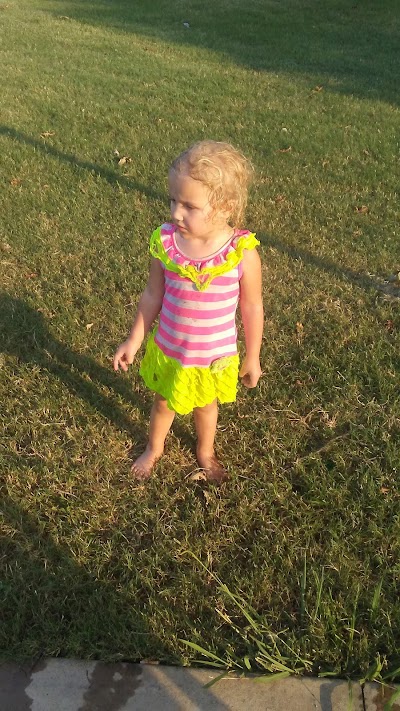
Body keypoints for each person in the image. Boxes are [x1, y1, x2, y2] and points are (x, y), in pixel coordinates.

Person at [113, 140, 263, 482]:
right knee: (163, 404)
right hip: (172, 350)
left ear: (225, 206)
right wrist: (134, 340)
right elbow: (152, 295)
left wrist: (252, 356)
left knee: (206, 407)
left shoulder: (241, 253)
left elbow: (252, 306)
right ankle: (154, 448)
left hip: (212, 357)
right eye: (172, 201)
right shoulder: (165, 242)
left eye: (189, 206)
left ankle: (205, 451)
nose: (175, 213)